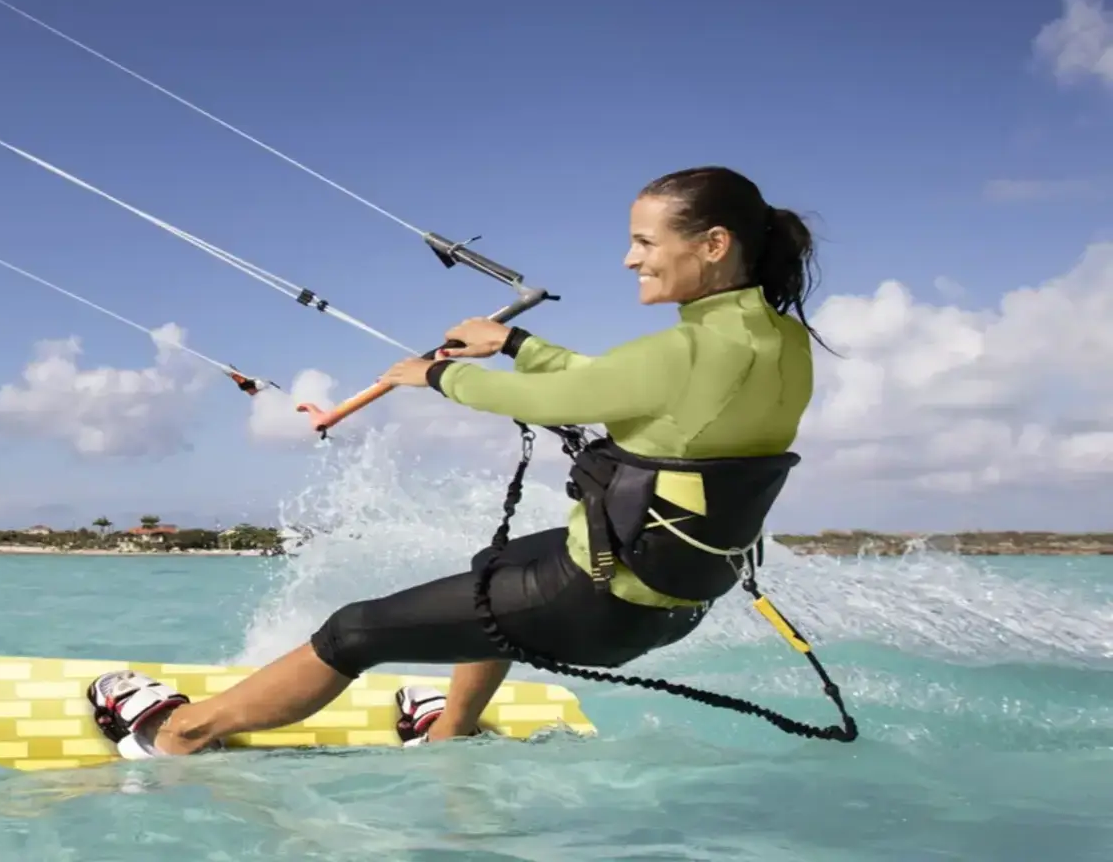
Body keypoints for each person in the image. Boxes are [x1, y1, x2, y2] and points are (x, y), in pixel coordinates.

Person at [86, 165, 826, 757]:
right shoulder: (781, 343)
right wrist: (513, 344)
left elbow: (559, 398)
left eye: (644, 241)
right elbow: (614, 382)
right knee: (489, 569)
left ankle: (175, 735)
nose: (630, 257)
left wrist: (437, 375)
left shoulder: (687, 349)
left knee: (354, 631)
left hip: (595, 600)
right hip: (673, 601)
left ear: (714, 243)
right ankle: (452, 729)